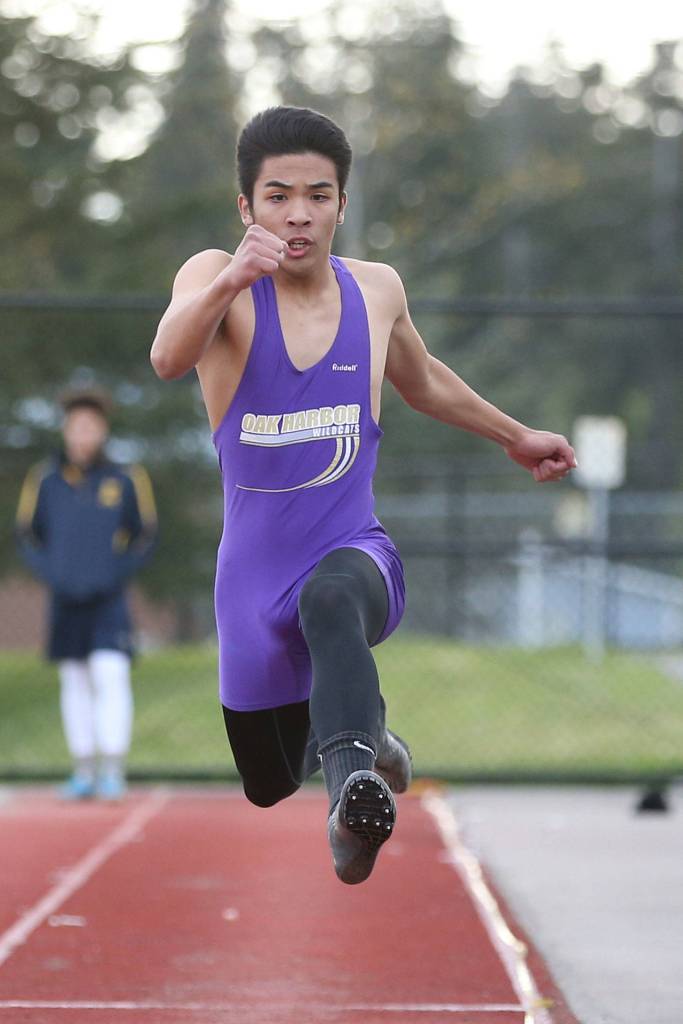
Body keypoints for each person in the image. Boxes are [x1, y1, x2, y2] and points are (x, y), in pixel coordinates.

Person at [150, 106, 576, 884]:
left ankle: (352, 798)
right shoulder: (213, 276)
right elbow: (168, 356)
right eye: (278, 195)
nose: (299, 213)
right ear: (247, 207)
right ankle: (370, 738)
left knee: (331, 599)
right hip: (249, 580)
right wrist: (231, 281)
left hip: (352, 555)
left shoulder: (376, 289)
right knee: (268, 779)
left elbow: (422, 381)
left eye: (319, 194)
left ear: (343, 204)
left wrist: (514, 435)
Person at [15, 386, 158, 801]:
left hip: (108, 601)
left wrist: (115, 571)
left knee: (109, 675)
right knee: (73, 680)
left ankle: (112, 769)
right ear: (65, 430)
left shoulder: (126, 477)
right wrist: (53, 572)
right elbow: (26, 534)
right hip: (64, 601)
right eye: (75, 426)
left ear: (103, 430)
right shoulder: (44, 479)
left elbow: (146, 533)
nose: (83, 434)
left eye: (91, 427)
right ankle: (83, 770)